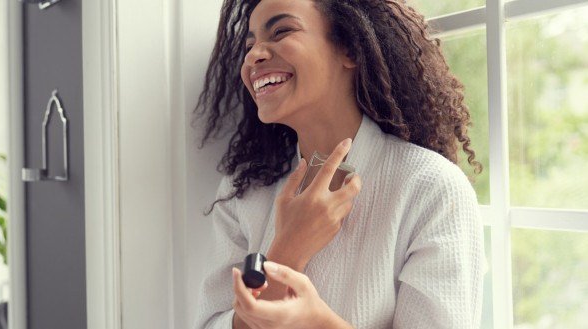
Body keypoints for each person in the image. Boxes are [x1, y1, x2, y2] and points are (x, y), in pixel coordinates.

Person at [192, 0, 485, 328]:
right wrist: (288, 248)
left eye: (282, 31)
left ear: (350, 49)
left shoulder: (431, 188)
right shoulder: (242, 192)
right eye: (250, 45)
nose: (254, 55)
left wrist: (317, 322)